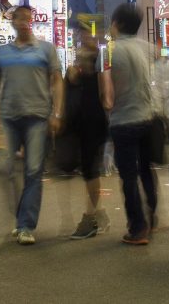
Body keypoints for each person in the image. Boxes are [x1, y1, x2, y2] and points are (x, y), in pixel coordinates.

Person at [0, 5, 63, 245]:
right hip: (9, 117)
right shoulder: (1, 52)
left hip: (37, 117)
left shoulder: (46, 50)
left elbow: (57, 81)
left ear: (32, 22)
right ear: (12, 21)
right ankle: (21, 216)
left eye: (27, 19)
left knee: (33, 171)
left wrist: (56, 113)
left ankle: (25, 226)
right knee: (5, 168)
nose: (23, 22)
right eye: (19, 18)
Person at [100, 4, 159, 245]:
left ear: (119, 25)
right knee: (146, 170)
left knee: (129, 176)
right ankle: (152, 216)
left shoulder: (109, 52)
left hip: (123, 121)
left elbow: (106, 94)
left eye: (112, 22)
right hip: (148, 117)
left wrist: (108, 110)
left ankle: (137, 227)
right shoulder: (147, 47)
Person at [65, 19, 110, 239]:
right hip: (83, 122)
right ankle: (99, 215)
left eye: (88, 34)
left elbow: (105, 93)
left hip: (94, 121)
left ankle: (90, 218)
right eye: (81, 35)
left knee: (91, 170)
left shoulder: (100, 60)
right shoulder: (81, 61)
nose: (84, 38)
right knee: (88, 170)